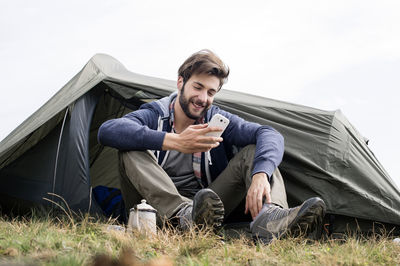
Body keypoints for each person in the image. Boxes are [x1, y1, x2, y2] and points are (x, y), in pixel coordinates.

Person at [98, 49, 326, 243]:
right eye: (197, 87)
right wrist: (176, 141)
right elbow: (107, 131)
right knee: (129, 147)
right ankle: (182, 215)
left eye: (210, 92)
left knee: (255, 152)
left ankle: (272, 219)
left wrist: (260, 175)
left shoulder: (217, 120)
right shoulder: (154, 114)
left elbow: (270, 134)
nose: (202, 98)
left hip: (205, 211)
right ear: (180, 82)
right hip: (153, 209)